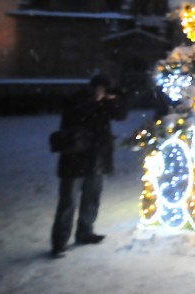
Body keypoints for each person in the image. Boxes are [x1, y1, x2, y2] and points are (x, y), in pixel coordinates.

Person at [50, 73, 127, 258]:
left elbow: (120, 115)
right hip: (75, 157)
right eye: (101, 88)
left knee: (92, 198)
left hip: (96, 158)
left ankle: (85, 231)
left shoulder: (104, 103)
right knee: (68, 200)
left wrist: (115, 99)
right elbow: (75, 115)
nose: (103, 92)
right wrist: (94, 99)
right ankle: (60, 242)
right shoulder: (77, 99)